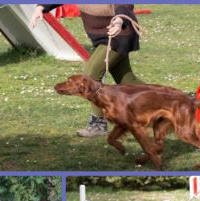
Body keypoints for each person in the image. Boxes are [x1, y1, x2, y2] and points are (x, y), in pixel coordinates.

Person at [32, 4, 140, 136]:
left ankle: (98, 125)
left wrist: (119, 21)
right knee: (127, 80)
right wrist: (42, 7)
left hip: (119, 33)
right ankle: (166, 100)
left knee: (90, 76)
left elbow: (123, 5)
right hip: (104, 36)